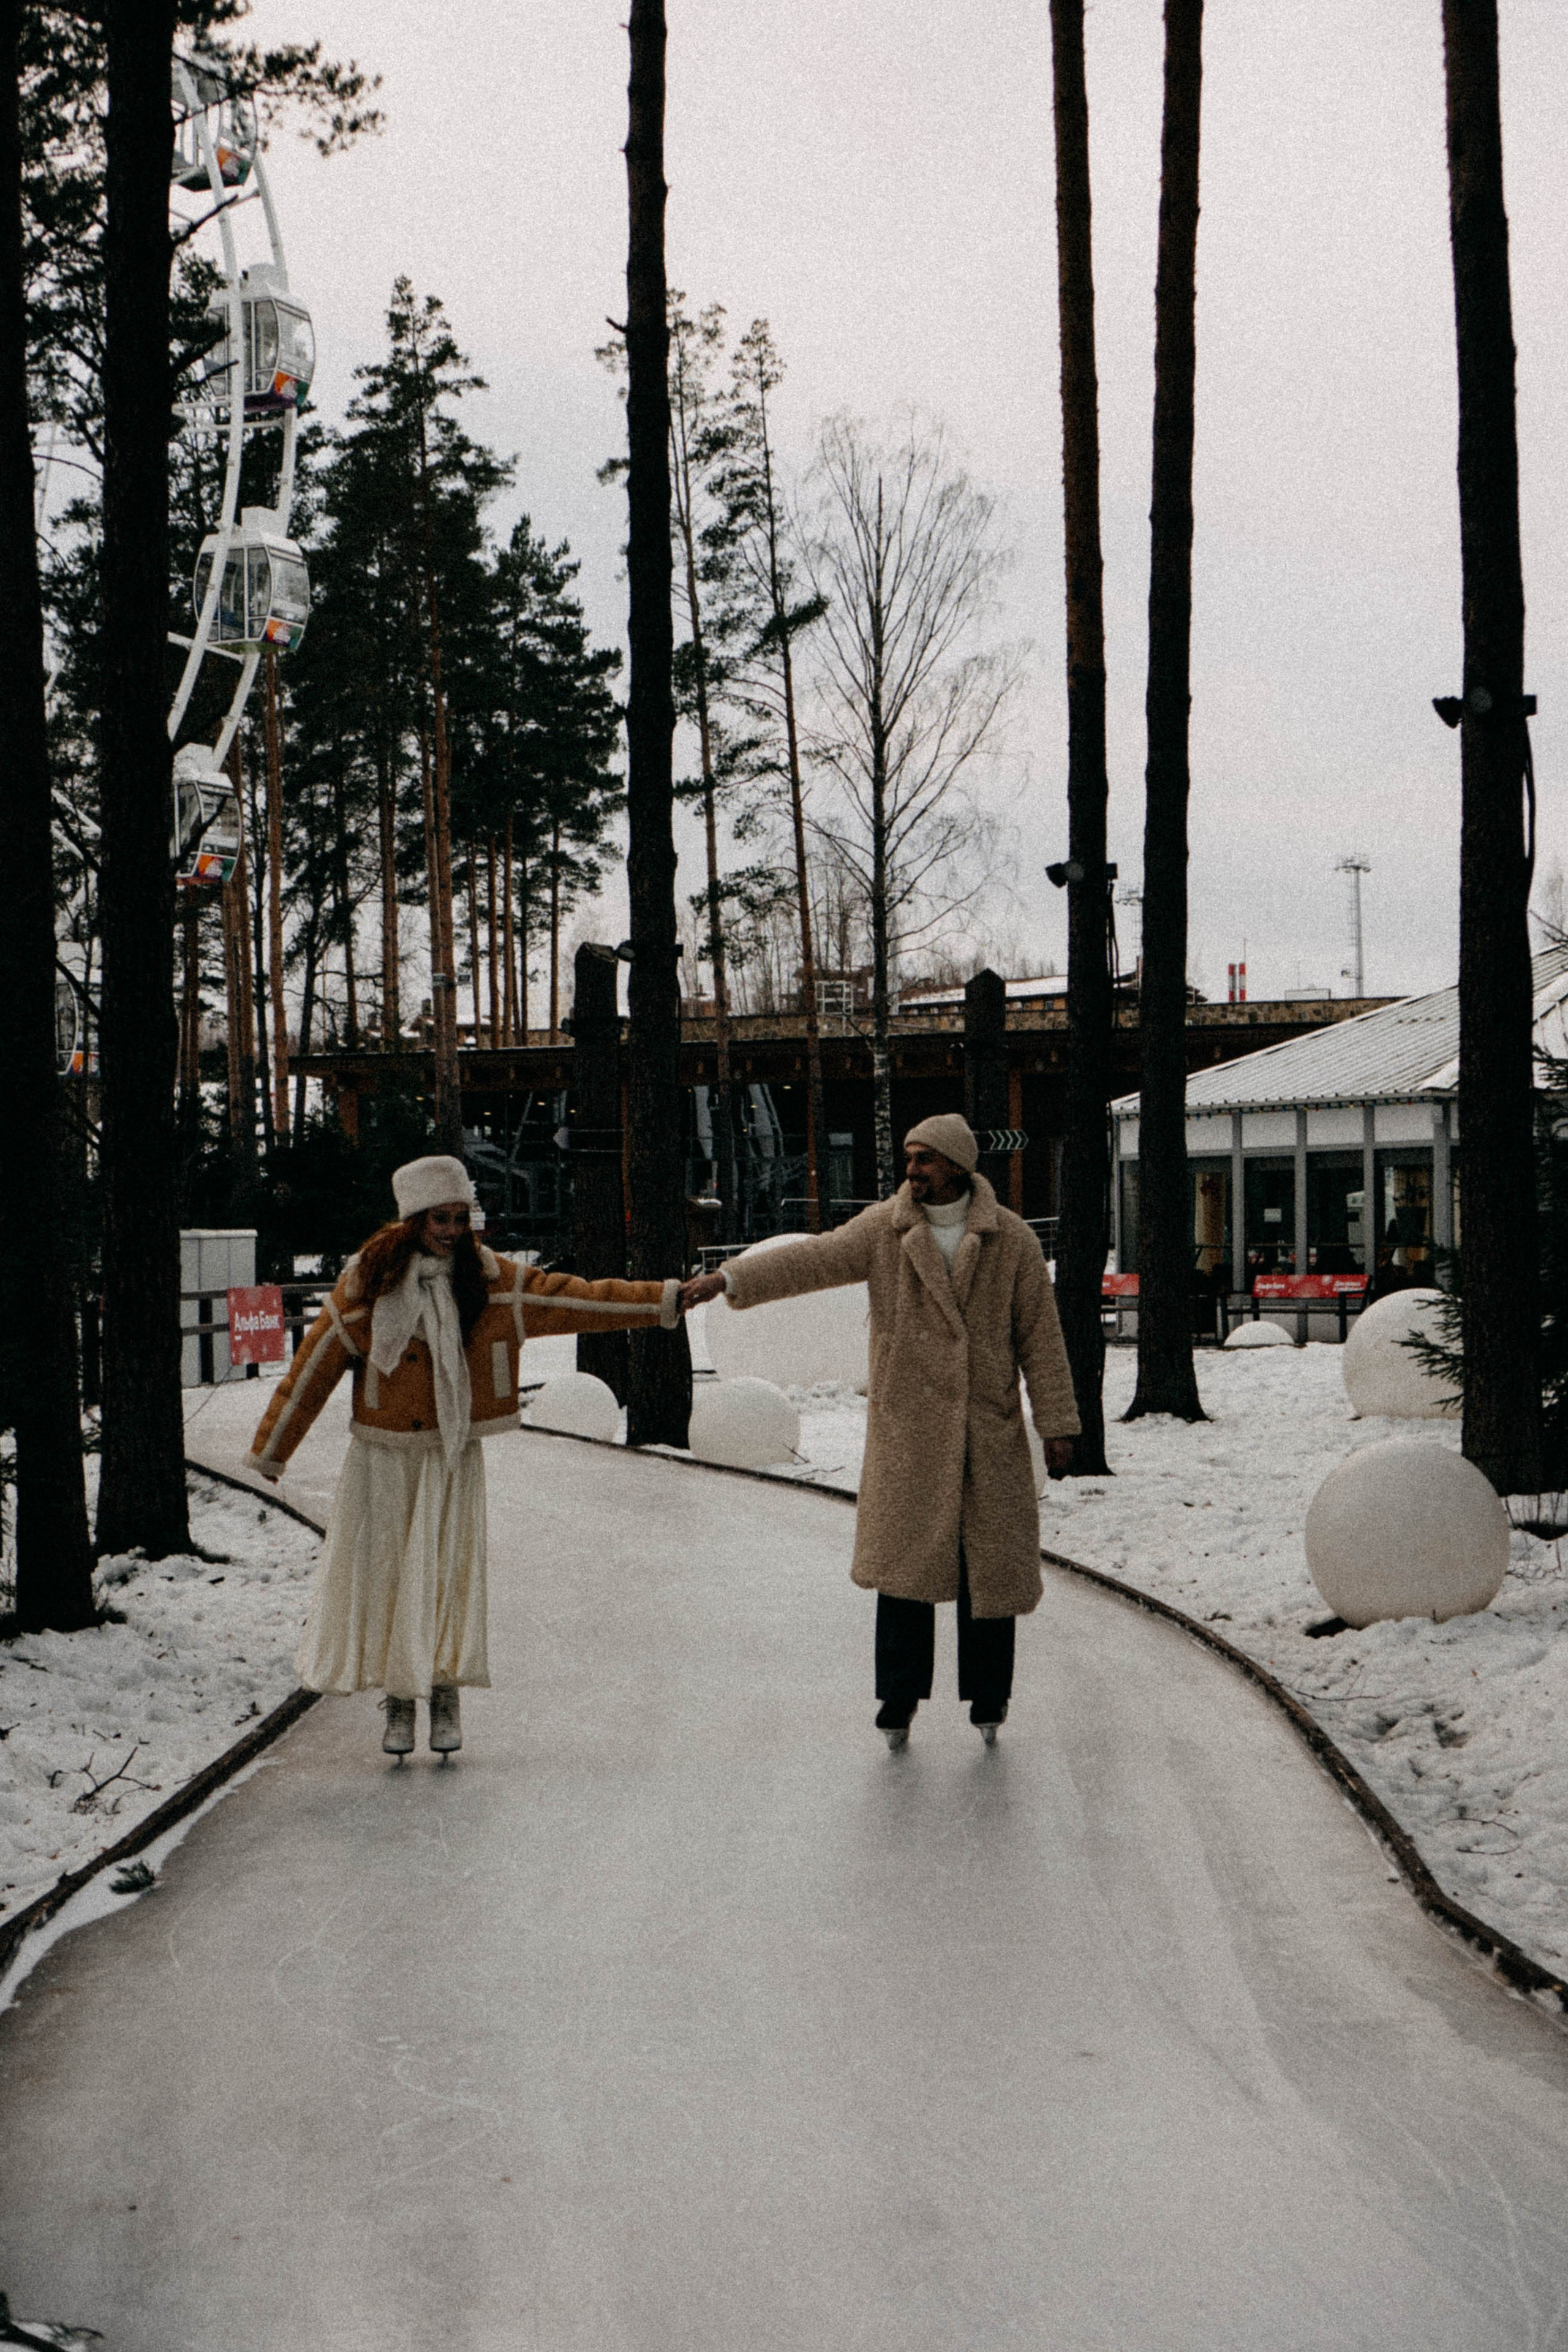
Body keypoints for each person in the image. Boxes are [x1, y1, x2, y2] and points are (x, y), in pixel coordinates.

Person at [249, 1155, 684, 1762]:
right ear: (412, 1222)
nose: (453, 1231)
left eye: (461, 1217)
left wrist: (665, 1300)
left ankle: (443, 1687)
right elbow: (313, 1367)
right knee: (389, 1575)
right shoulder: (366, 1284)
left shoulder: (492, 1281)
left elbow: (581, 1300)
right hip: (382, 1454)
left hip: (451, 1453)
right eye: (440, 1220)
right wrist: (273, 1447)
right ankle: (400, 1700)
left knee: (446, 1574)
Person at [680, 1114, 1079, 1749]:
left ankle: (989, 1698)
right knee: (904, 1575)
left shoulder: (1012, 1241)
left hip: (988, 1432)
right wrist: (729, 1279)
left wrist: (1057, 1423)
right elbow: (814, 1258)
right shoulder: (885, 1229)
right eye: (909, 1157)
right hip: (909, 1434)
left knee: (989, 1577)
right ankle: (897, 1701)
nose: (911, 1170)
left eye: (923, 1159)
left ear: (956, 1165)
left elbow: (1041, 1338)